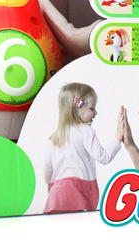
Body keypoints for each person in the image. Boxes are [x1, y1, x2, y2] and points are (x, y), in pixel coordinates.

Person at [43, 82, 123, 213]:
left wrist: (49, 184)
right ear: (76, 108)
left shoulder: (57, 136)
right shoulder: (86, 131)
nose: (96, 113)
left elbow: (47, 166)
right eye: (92, 109)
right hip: (76, 190)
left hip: (57, 191)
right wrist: (118, 137)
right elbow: (104, 157)